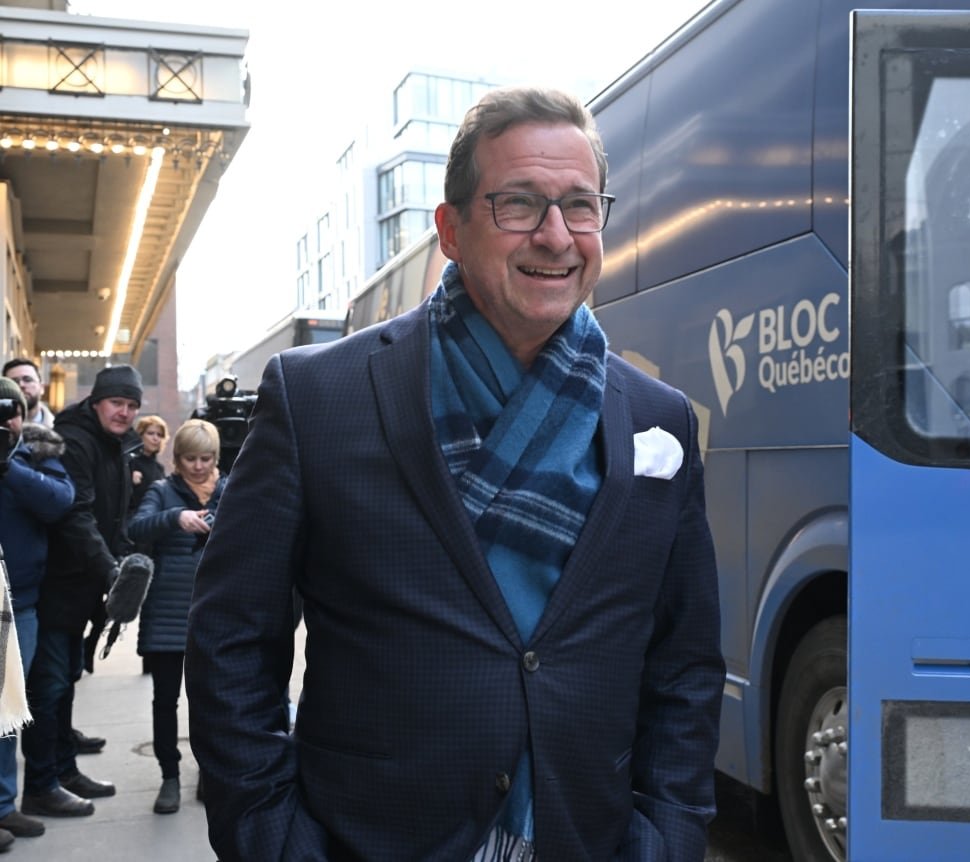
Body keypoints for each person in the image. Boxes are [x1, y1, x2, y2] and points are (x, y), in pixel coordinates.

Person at [186, 86, 724, 861]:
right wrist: (271, 838)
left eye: (580, 205)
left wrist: (668, 835)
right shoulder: (317, 398)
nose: (555, 236)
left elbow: (684, 663)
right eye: (518, 204)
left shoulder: (658, 417)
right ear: (450, 229)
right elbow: (233, 640)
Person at [21, 364, 142, 818]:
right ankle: (40, 785)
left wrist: (121, 558)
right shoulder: (76, 441)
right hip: (58, 584)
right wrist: (110, 569)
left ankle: (64, 770)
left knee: (66, 681)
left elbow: (115, 517)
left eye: (131, 405)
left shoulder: (113, 444)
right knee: (49, 687)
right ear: (96, 402)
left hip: (83, 585)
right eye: (117, 403)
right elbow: (76, 515)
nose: (124, 412)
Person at [129, 419, 224, 815]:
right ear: (177, 458)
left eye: (206, 459)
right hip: (167, 611)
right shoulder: (162, 490)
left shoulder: (228, 489)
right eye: (190, 459)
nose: (198, 467)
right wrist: (175, 517)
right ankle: (169, 775)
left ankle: (208, 771)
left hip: (214, 612)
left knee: (210, 702)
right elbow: (136, 527)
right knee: (165, 700)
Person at [0, 378, 74, 844]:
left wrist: (7, 468)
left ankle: (3, 806)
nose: (5, 421)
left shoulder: (35, 455)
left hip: (17, 603)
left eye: (11, 411)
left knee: (6, 710)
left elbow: (59, 502)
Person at [128, 415, 169, 514]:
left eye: (159, 435)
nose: (155, 438)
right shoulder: (129, 462)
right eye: (150, 433)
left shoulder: (159, 469)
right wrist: (128, 480)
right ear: (140, 435)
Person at [3, 358, 54, 427]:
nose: (21, 385)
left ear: (42, 387)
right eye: (14, 381)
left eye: (28, 379)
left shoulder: (59, 429)